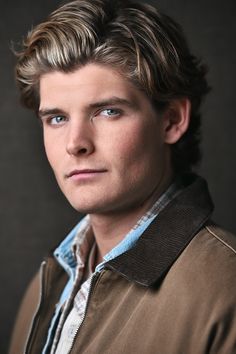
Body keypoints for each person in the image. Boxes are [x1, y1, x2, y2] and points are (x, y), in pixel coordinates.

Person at [9, 0, 236, 353]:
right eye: (56, 118)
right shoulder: (47, 283)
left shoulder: (226, 288)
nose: (75, 144)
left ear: (172, 120)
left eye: (108, 111)